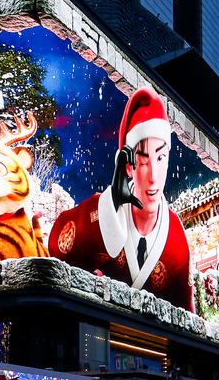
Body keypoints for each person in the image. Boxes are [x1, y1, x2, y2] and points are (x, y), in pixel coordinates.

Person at [48, 87, 194, 310]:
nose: (153, 177)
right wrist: (110, 205)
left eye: (161, 157)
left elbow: (188, 317)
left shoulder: (176, 238)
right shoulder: (100, 210)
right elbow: (58, 249)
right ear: (127, 165)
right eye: (143, 161)